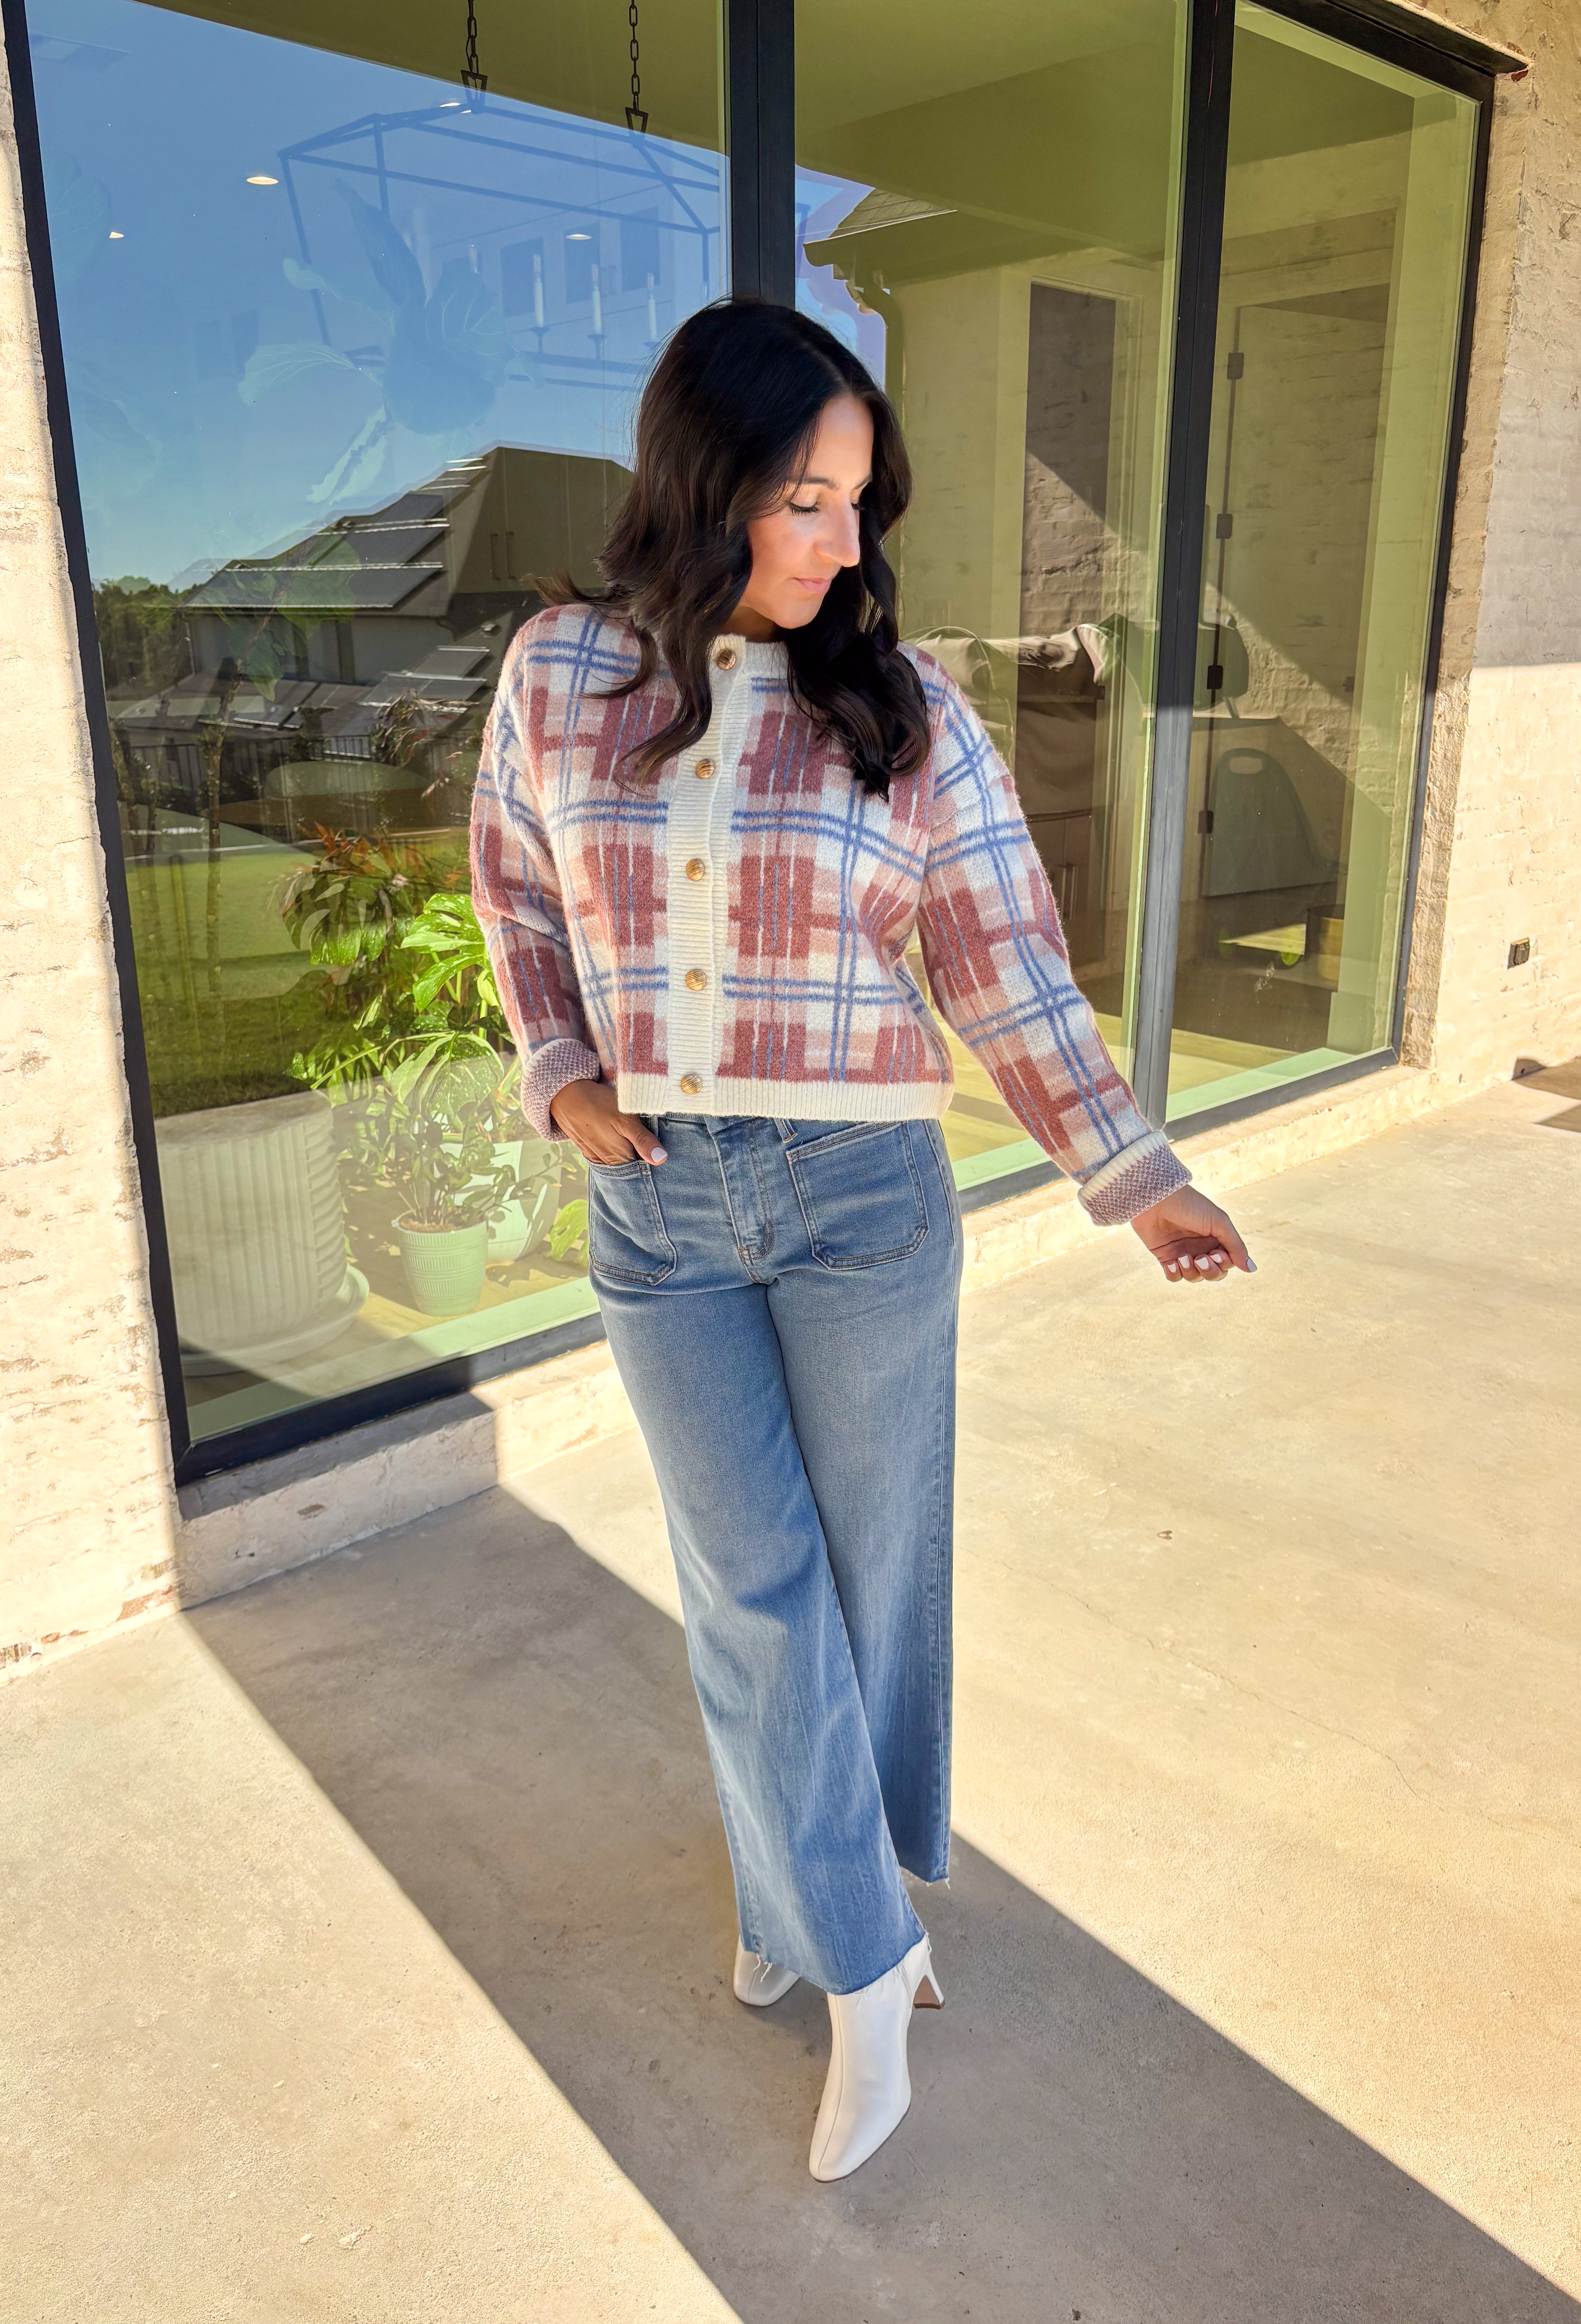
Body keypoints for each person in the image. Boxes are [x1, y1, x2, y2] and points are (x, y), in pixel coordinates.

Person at [471, 298, 1253, 2182]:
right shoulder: (564, 673)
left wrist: (1131, 1171)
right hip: (659, 1201)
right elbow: (511, 881)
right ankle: (863, 1958)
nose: (841, 545)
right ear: (705, 481)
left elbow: (1006, 964)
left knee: (865, 1588)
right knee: (749, 1592)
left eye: (856, 507)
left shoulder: (908, 715)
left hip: (861, 1205)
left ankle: (807, 1895)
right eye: (804, 502)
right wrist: (560, 1066)